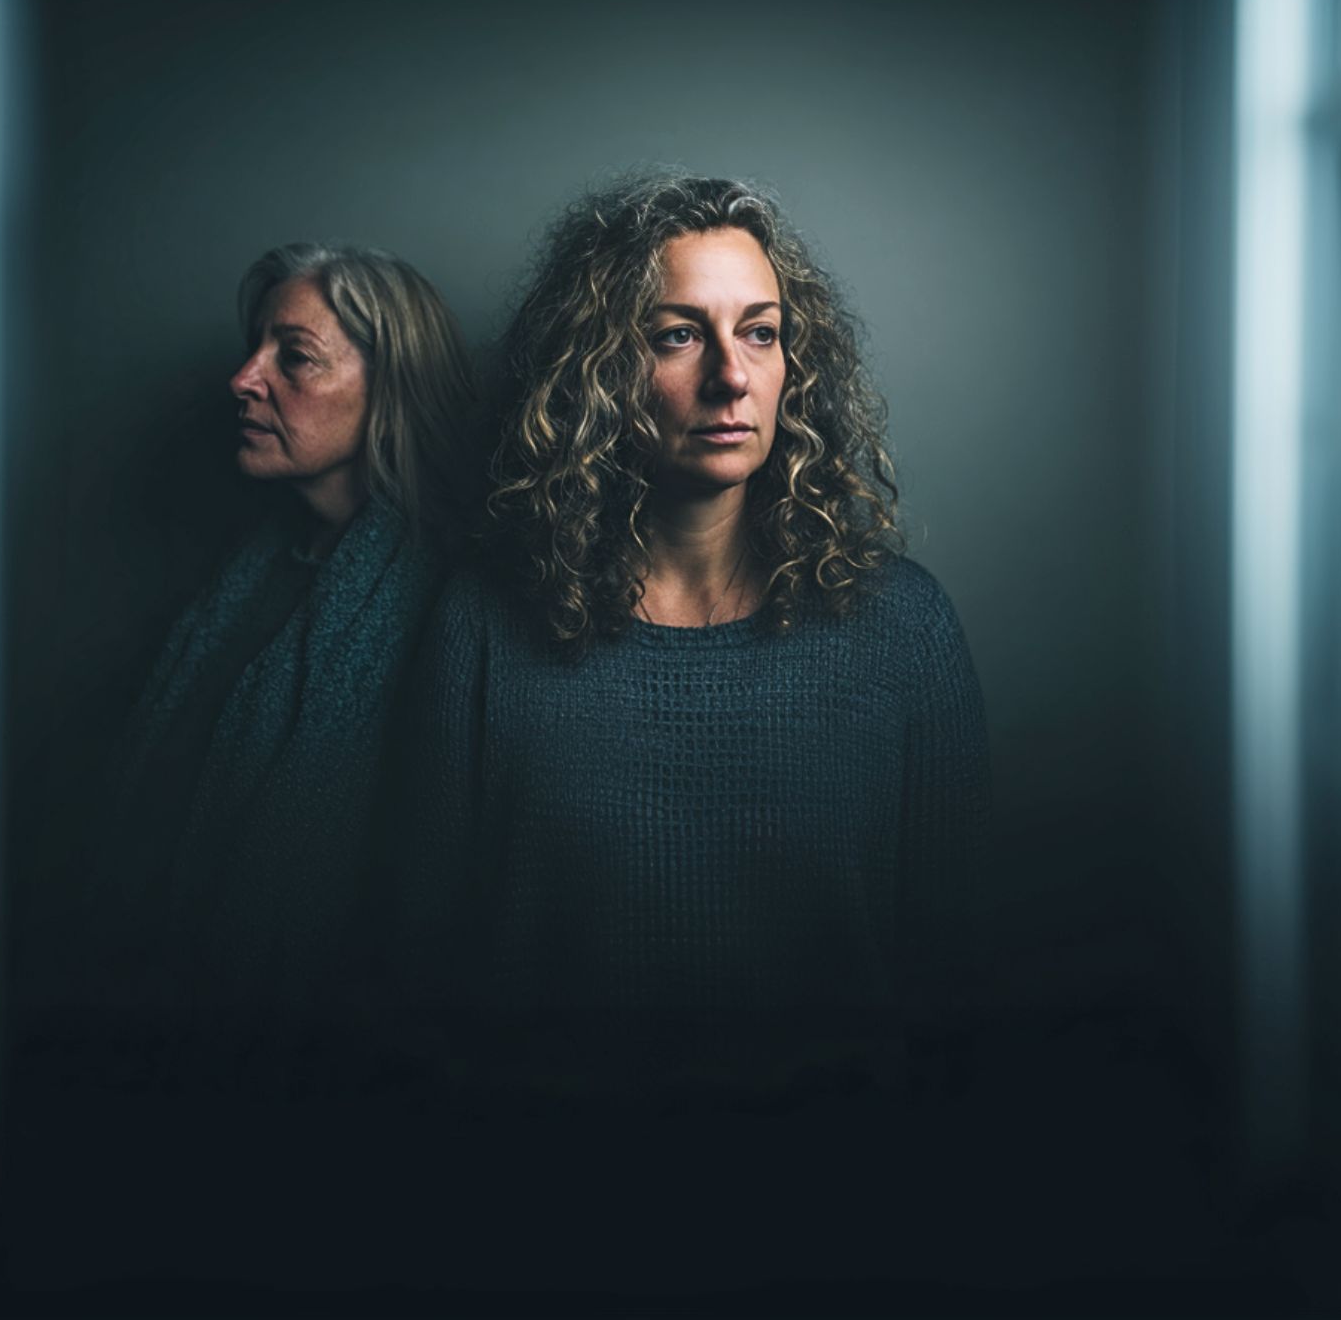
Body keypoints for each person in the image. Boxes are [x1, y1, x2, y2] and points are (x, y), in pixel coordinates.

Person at [390, 173, 990, 1105]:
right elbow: (418, 979)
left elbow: (959, 987)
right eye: (677, 335)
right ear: (597, 368)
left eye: (761, 331)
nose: (731, 376)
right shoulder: (482, 624)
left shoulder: (902, 629)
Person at [67, 241, 477, 1079]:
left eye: (295, 357)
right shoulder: (238, 581)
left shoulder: (452, 612)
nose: (244, 378)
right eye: (256, 348)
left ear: (392, 389)